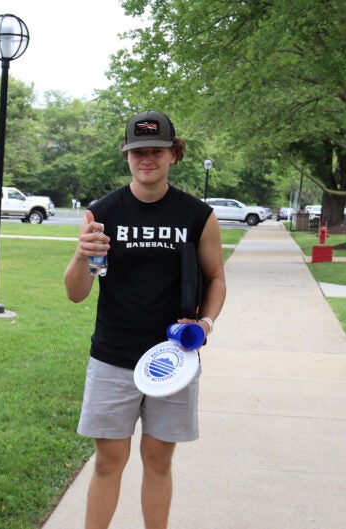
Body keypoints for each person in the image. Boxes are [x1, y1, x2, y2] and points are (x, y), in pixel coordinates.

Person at [62, 110, 226, 529]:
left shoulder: (197, 216)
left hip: (174, 358)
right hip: (113, 356)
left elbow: (216, 279)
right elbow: (77, 292)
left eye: (156, 150)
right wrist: (81, 254)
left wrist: (204, 326)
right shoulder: (103, 212)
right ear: (126, 155)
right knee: (108, 460)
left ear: (174, 154)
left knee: (158, 460)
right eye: (138, 151)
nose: (146, 159)